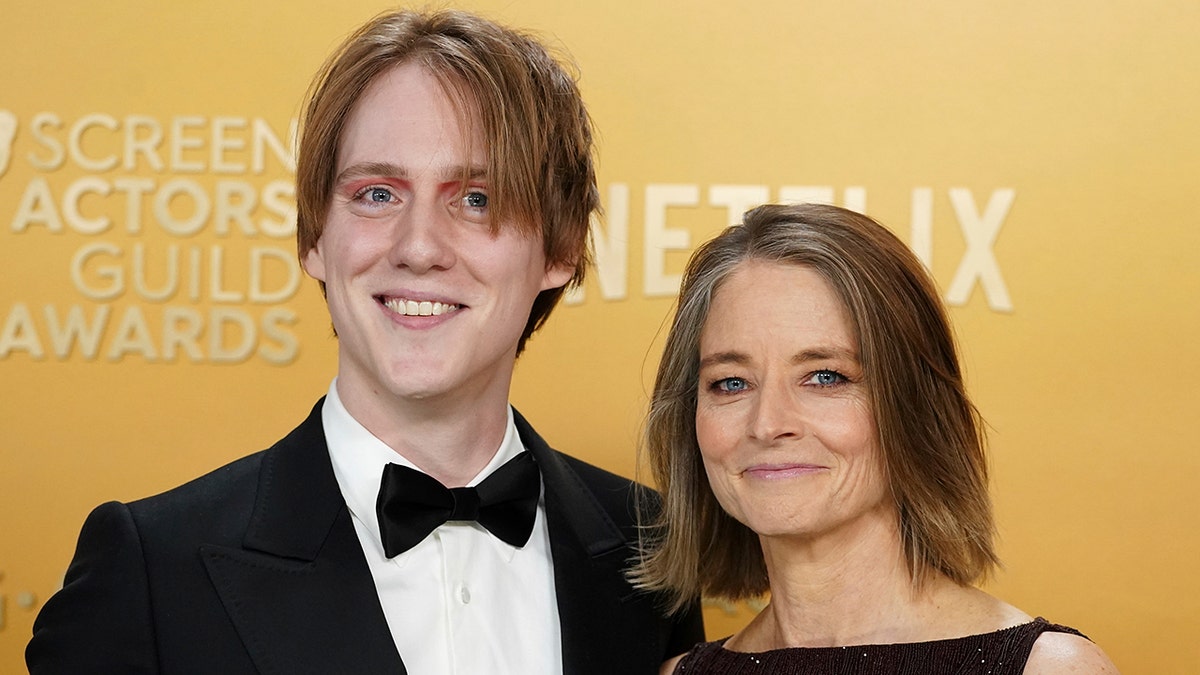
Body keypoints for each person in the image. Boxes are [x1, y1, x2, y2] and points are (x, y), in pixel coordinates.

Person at [26, 9, 703, 674]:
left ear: (562, 248)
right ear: (315, 237)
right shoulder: (149, 569)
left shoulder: (652, 551)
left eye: (476, 199)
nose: (417, 247)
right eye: (377, 193)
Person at [632, 203, 1118, 674]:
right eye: (731, 382)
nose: (767, 423)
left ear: (913, 406)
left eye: (825, 377)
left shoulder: (1049, 669)